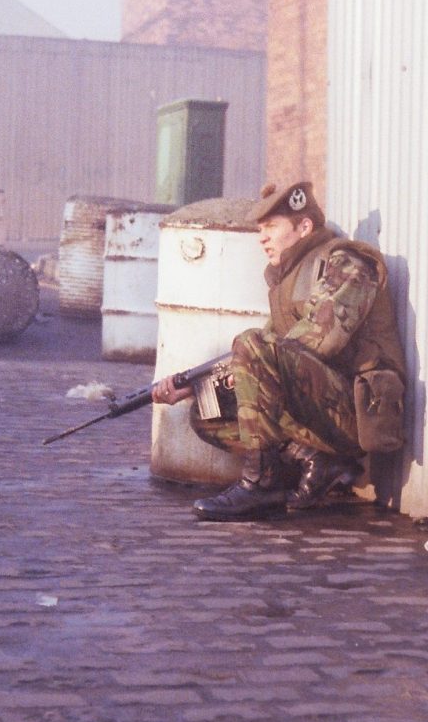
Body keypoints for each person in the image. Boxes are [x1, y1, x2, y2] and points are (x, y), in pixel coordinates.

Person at [152, 181, 407, 521]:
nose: (262, 237)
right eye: (260, 229)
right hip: (321, 408)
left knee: (251, 343)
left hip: (357, 412)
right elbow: (264, 355)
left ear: (304, 227)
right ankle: (314, 459)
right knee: (208, 411)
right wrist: (195, 383)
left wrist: (245, 362)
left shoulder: (346, 262)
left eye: (271, 226)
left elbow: (318, 339)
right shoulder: (286, 280)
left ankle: (261, 482)